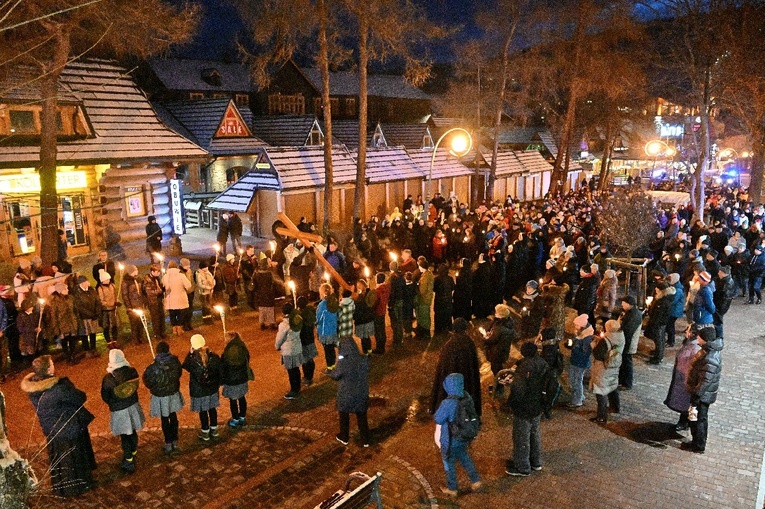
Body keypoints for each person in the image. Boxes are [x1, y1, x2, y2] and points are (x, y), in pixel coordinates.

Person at [21, 355, 96, 496]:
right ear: (48, 369)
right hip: (66, 427)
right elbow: (79, 397)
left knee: (60, 460)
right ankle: (77, 487)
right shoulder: (57, 389)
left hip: (51, 429)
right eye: (52, 363)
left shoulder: (34, 389)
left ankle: (62, 487)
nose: (54, 365)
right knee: (72, 459)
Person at [434, 373, 482, 498]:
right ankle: (475, 480)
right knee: (465, 458)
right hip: (463, 437)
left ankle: (452, 488)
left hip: (449, 440)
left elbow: (438, 419)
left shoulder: (448, 403)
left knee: (449, 464)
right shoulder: (466, 396)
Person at [506, 341, 548, 476]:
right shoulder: (542, 363)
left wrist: (511, 403)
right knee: (534, 433)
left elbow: (519, 390)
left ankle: (522, 466)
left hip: (525, 407)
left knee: (521, 436)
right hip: (537, 405)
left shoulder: (525, 367)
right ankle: (536, 462)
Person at [100, 349, 145, 473]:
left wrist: (113, 403)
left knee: (124, 435)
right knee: (133, 430)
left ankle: (129, 459)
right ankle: (134, 450)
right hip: (133, 406)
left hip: (120, 410)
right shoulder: (132, 371)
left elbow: (105, 396)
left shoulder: (108, 378)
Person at [430, 318, 481, 416]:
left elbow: (443, 365)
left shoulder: (449, 345)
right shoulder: (469, 342)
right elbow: (473, 363)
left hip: (452, 378)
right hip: (466, 378)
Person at [683, 327, 722, 453]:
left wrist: (696, 396)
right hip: (700, 393)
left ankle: (698, 445)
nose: (697, 338)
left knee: (699, 420)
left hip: (701, 395)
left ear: (704, 339)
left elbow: (705, 381)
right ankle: (697, 442)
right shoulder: (707, 350)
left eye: (699, 337)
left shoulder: (710, 357)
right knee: (699, 419)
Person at [142, 341, 184, 453]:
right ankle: (175, 440)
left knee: (165, 419)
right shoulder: (175, 361)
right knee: (173, 416)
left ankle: (168, 442)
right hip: (172, 393)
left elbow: (148, 381)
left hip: (161, 396)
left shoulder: (153, 367)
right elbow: (179, 373)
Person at [329, 337, 371, 447]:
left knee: (344, 416)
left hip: (347, 395)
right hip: (361, 393)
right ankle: (365, 439)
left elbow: (335, 375)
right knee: (362, 417)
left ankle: (344, 437)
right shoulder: (363, 359)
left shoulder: (343, 363)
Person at [183, 334, 223, 441]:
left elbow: (185, 366)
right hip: (212, 389)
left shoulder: (193, 360)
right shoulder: (214, 357)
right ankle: (214, 429)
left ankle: (205, 431)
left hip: (199, 390)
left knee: (203, 411)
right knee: (212, 409)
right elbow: (219, 370)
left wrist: (190, 354)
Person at [664, 325, 702, 432]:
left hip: (686, 379)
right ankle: (684, 421)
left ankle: (685, 423)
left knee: (686, 403)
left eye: (688, 330)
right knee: (684, 402)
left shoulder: (695, 348)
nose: (686, 331)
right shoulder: (689, 344)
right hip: (682, 378)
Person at [589, 320, 624, 423]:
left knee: (601, 390)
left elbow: (597, 354)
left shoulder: (606, 340)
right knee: (612, 385)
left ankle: (601, 416)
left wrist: (595, 343)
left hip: (603, 367)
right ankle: (615, 407)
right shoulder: (621, 336)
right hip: (614, 365)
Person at [484, 304, 515, 397]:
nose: (495, 313)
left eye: (496, 312)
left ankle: (499, 387)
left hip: (497, 352)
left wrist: (485, 338)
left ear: (501, 315)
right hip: (500, 351)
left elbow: (492, 340)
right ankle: (498, 385)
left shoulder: (500, 328)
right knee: (497, 369)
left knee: (496, 369)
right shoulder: (503, 323)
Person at [221, 331, 251, 428]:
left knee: (233, 401)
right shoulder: (242, 347)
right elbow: (247, 359)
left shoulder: (227, 351)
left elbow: (223, 365)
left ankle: (235, 419)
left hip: (231, 380)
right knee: (242, 398)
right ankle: (242, 417)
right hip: (242, 378)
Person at [275, 303, 303, 399]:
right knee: (296, 369)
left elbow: (280, 338)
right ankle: (298, 387)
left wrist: (277, 346)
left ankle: (294, 390)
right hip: (297, 347)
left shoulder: (284, 325)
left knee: (291, 371)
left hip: (288, 350)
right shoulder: (297, 319)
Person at [567, 314, 593, 409]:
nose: (575, 327)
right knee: (574, 379)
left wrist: (574, 348)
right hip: (576, 360)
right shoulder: (581, 334)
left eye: (577, 325)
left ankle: (577, 400)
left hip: (580, 362)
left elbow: (585, 352)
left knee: (576, 380)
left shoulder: (587, 337)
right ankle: (580, 396)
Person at [49, 283, 79, 364]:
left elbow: (75, 311)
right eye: (65, 289)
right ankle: (68, 357)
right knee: (65, 343)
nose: (68, 290)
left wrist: (76, 322)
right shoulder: (54, 302)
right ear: (60, 291)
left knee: (72, 341)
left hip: (71, 323)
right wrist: (57, 330)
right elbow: (54, 317)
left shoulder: (70, 298)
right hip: (62, 325)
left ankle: (73, 356)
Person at [73, 275, 101, 354]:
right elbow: (79, 306)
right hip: (84, 317)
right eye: (86, 281)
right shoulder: (77, 293)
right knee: (85, 333)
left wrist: (97, 312)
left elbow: (97, 301)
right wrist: (90, 314)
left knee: (93, 332)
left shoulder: (91, 290)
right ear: (81, 283)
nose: (88, 282)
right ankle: (87, 349)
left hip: (93, 316)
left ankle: (93, 348)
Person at [618, 296, 642, 390]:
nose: (621, 305)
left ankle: (627, 383)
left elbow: (628, 331)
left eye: (623, 303)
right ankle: (622, 380)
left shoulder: (634, 315)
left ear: (629, 304)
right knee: (624, 362)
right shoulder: (630, 312)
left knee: (627, 363)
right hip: (625, 341)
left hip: (628, 343)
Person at [164, 261, 192, 336]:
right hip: (180, 298)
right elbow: (188, 285)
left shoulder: (166, 276)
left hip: (170, 299)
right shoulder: (181, 275)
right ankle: (179, 328)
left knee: (172, 314)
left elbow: (164, 287)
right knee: (181, 313)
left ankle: (174, 329)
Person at [316, 283, 339, 372]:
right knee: (332, 349)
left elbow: (319, 318)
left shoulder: (322, 305)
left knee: (327, 350)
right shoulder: (334, 302)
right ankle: (333, 364)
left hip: (325, 331)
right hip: (333, 329)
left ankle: (330, 367)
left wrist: (316, 322)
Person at [121, 264, 144, 345]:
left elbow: (141, 291)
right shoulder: (126, 282)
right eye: (135, 270)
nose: (137, 271)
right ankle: (135, 339)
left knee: (141, 322)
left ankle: (141, 337)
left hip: (139, 304)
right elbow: (125, 295)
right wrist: (129, 307)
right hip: (132, 306)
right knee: (134, 324)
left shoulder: (138, 279)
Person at [297, 296, 318, 386]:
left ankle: (307, 377)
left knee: (305, 361)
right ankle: (310, 377)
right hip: (310, 339)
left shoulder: (301, 316)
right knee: (310, 359)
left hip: (303, 341)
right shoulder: (311, 312)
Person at [142, 265, 166, 339]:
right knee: (155, 318)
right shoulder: (147, 280)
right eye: (157, 272)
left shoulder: (156, 278)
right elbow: (149, 292)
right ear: (152, 272)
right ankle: (157, 334)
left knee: (161, 316)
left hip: (158, 300)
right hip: (152, 302)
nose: (158, 274)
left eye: (159, 272)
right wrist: (160, 290)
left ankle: (162, 332)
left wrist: (162, 288)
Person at [253, 258, 278, 330]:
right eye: (269, 262)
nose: (270, 263)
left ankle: (262, 324)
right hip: (268, 294)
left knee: (262, 309)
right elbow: (276, 281)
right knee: (270, 309)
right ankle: (271, 324)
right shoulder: (270, 273)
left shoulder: (256, 273)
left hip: (259, 294)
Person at [353, 280, 376, 355]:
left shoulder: (364, 296)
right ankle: (368, 350)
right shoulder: (366, 295)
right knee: (365, 337)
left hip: (363, 319)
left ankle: (366, 351)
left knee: (364, 337)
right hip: (366, 318)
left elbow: (360, 307)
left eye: (359, 286)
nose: (358, 287)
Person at [97, 270, 119, 344]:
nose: (108, 280)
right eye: (107, 279)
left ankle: (115, 340)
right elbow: (102, 300)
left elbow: (115, 295)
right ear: (103, 280)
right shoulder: (100, 288)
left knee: (114, 325)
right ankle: (109, 341)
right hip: (106, 310)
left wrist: (117, 301)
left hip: (113, 309)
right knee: (106, 326)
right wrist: (111, 304)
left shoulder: (112, 285)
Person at [415, 259, 434, 339]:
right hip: (427, 299)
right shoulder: (428, 274)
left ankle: (425, 334)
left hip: (424, 299)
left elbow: (422, 290)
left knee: (424, 317)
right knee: (425, 316)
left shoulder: (425, 276)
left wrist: (416, 286)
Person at [433, 264, 455, 334]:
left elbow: (434, 289)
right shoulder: (450, 278)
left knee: (439, 314)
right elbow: (453, 287)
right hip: (448, 299)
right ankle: (448, 327)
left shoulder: (436, 279)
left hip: (439, 299)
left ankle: (439, 328)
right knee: (447, 314)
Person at [372, 272, 390, 354]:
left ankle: (380, 348)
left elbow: (374, 302)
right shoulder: (386, 288)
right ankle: (382, 346)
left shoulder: (378, 290)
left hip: (377, 312)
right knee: (382, 329)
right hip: (383, 311)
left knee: (378, 330)